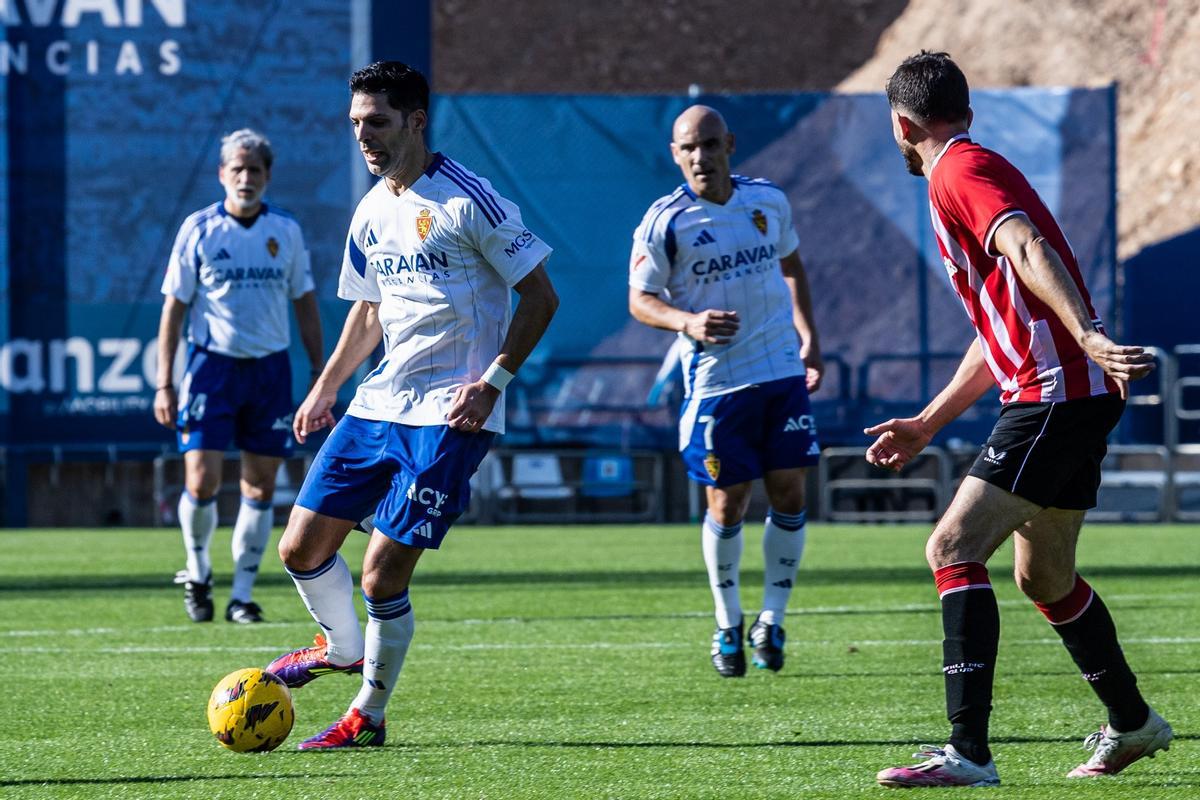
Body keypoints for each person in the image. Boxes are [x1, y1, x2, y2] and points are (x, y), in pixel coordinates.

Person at [868, 52, 1171, 788]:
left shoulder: (958, 172)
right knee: (1046, 577)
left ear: (902, 125)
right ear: (965, 112)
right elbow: (998, 326)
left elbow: (1025, 245)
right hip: (1072, 393)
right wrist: (929, 422)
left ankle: (967, 751)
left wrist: (1088, 335)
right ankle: (1133, 722)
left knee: (952, 547)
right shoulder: (974, 167)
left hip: (1054, 395)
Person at [264, 61, 558, 750]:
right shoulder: (371, 209)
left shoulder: (470, 200)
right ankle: (342, 649)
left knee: (380, 573)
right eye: (356, 123)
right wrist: (326, 386)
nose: (363, 136)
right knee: (299, 548)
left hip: (451, 415)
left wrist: (493, 383)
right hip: (379, 403)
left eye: (377, 122)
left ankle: (366, 716)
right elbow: (369, 309)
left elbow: (541, 296)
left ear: (416, 121)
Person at [629, 105, 823, 678]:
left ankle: (773, 620)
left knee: (790, 492)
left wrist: (809, 337)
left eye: (710, 145)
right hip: (718, 383)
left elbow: (792, 264)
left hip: (780, 371)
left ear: (729, 145)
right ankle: (727, 622)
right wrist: (687, 322)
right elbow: (639, 299)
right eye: (689, 148)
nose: (701, 157)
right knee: (727, 501)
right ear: (675, 155)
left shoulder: (767, 201)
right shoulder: (664, 221)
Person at [154, 128, 323, 625]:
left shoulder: (285, 230)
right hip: (211, 368)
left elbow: (305, 302)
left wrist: (319, 371)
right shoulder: (199, 229)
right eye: (237, 169)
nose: (246, 178)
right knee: (201, 479)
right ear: (222, 174)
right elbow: (174, 310)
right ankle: (198, 572)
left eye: (255, 170)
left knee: (260, 486)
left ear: (267, 175)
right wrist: (164, 382)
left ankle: (242, 596)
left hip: (269, 370)